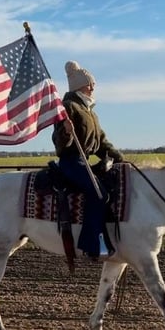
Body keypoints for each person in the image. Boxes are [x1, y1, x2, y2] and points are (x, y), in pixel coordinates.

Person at [52, 60, 124, 259]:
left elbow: (101, 143)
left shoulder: (90, 112)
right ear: (78, 86)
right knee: (99, 194)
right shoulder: (68, 107)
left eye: (92, 84)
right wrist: (66, 133)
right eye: (89, 84)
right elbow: (60, 145)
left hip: (84, 162)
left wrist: (122, 161)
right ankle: (90, 244)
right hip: (71, 161)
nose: (93, 87)